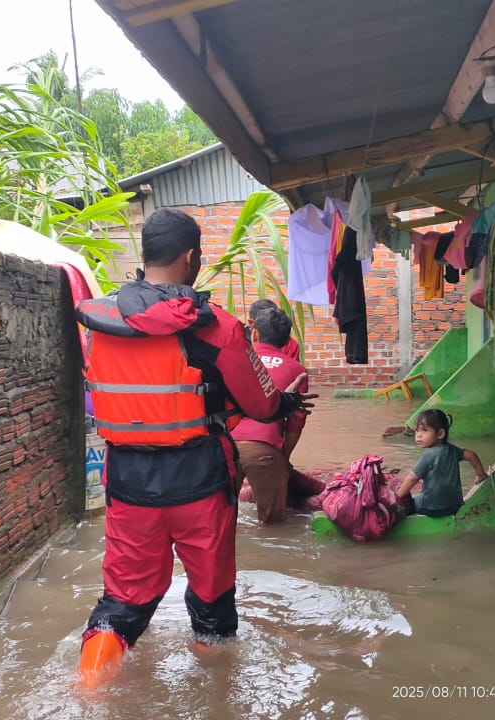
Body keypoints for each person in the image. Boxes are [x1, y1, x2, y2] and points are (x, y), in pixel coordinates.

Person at [75, 208, 314, 687]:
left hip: (127, 485)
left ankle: (85, 694)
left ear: (146, 255)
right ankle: (215, 697)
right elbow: (262, 405)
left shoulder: (98, 323)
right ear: (190, 257)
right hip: (201, 485)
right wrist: (284, 398)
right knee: (211, 604)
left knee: (121, 604)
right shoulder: (217, 327)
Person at [230, 306, 311, 524]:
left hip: (224, 449)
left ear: (254, 333)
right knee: (273, 525)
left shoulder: (233, 360)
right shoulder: (296, 370)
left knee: (221, 521)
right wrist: (283, 459)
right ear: (287, 342)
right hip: (264, 451)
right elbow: (295, 424)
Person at [395, 410, 487, 518]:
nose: (418, 435)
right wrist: (481, 475)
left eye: (424, 430)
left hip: (432, 508)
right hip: (455, 506)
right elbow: (471, 455)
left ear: (440, 434)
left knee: (407, 500)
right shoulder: (453, 450)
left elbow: (412, 478)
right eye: (417, 430)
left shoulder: (429, 454)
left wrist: (397, 497)